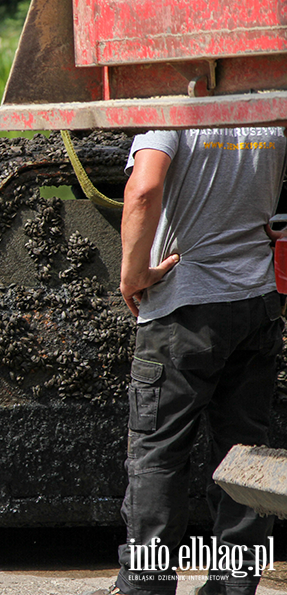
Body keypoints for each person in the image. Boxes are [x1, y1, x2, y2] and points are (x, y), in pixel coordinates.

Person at [88, 127, 287, 595]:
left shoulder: (170, 112)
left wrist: (133, 273)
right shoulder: (271, 104)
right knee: (246, 457)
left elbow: (144, 190)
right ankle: (235, 588)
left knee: (159, 457)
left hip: (181, 309)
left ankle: (146, 587)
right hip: (257, 303)